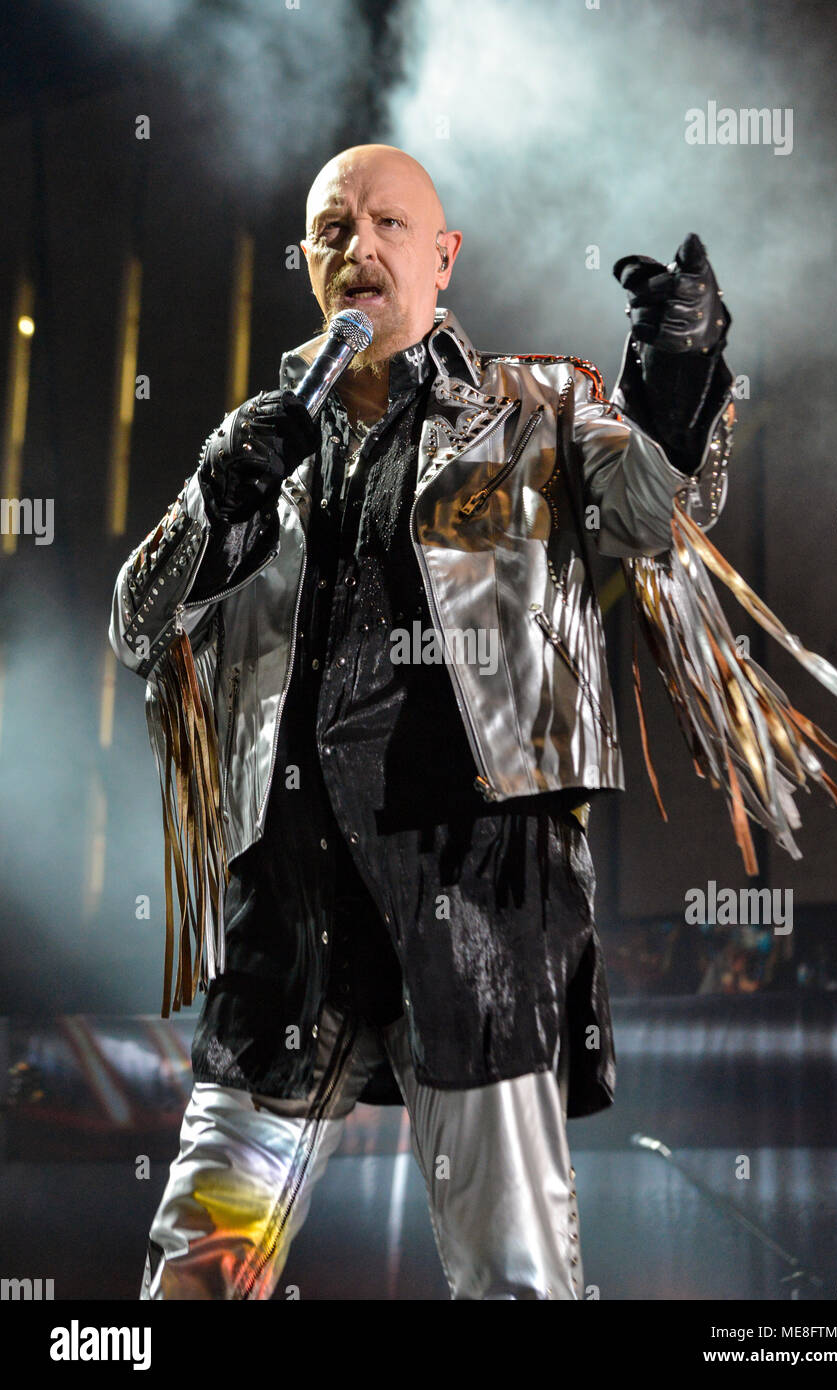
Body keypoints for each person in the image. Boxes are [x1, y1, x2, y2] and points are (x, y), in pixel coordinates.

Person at [110, 143, 738, 1299]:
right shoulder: (266, 447)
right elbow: (136, 629)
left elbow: (665, 513)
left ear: (441, 257)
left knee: (514, 1271)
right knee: (199, 1264)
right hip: (293, 905)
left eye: (390, 223)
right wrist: (214, 494)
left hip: (481, 886)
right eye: (333, 228)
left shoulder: (531, 410)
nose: (360, 246)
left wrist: (681, 366)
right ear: (308, 262)